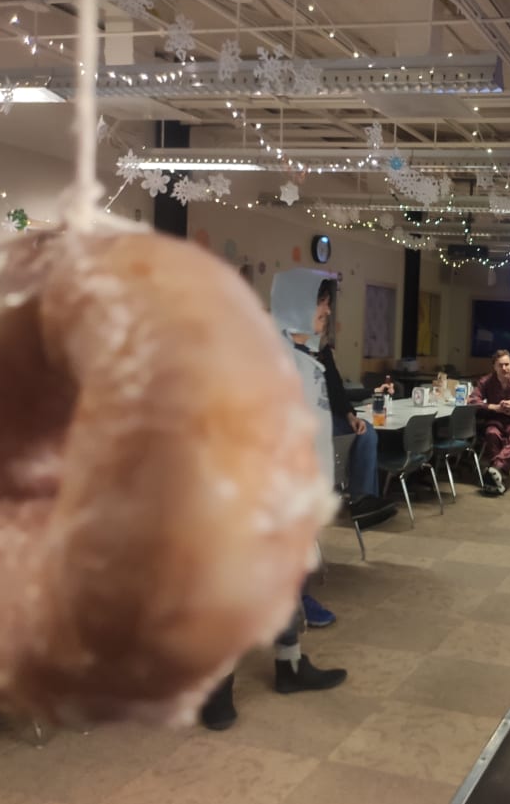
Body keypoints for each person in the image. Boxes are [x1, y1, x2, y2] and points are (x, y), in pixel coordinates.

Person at [201, 268, 350, 731]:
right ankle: (216, 688)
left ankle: (289, 665)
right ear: (294, 303)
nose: (326, 311)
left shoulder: (306, 356)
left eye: (326, 302)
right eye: (319, 301)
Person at [315, 281, 396, 531]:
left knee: (366, 432)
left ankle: (362, 500)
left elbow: (336, 388)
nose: (328, 312)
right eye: (323, 305)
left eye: (328, 305)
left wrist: (351, 416)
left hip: (329, 418)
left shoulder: (322, 348)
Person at [468, 350, 510, 495]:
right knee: (491, 434)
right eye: (501, 365)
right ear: (494, 366)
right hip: (495, 420)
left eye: (507, 364)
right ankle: (499, 475)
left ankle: (495, 471)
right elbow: (473, 401)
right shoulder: (486, 381)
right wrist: (495, 407)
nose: (504, 368)